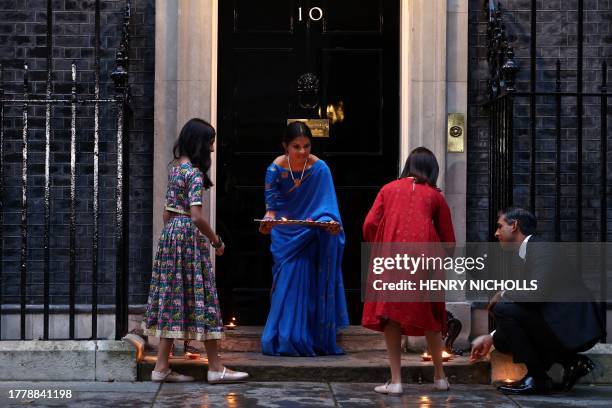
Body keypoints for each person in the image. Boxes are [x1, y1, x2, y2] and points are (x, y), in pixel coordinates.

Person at [142, 118, 249, 383]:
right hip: (188, 238)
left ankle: (161, 367)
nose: (213, 149)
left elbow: (167, 214)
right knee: (205, 298)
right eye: (210, 142)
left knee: (172, 299)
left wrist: (171, 239)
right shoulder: (194, 174)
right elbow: (197, 216)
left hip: (171, 237)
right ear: (201, 143)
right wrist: (216, 242)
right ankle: (214, 368)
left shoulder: (175, 169)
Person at [470, 207, 604, 394]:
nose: (496, 233)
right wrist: (490, 337)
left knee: (502, 308)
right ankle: (571, 362)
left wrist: (503, 293)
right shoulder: (525, 252)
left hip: (571, 326)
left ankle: (539, 378)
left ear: (514, 225)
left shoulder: (541, 249)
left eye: (500, 227)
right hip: (552, 321)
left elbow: (535, 295)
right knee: (501, 339)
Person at [361, 147, 456, 394]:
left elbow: (370, 223)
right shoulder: (435, 196)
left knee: (391, 315)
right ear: (432, 170)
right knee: (430, 317)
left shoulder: (388, 189)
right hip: (425, 260)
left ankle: (396, 382)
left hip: (392, 256)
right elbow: (449, 241)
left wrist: (379, 245)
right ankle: (440, 377)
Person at [259, 121, 349, 356]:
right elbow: (272, 207)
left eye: (306, 146)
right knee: (287, 283)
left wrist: (330, 225)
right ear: (285, 147)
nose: (302, 152)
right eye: (296, 146)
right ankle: (284, 337)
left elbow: (328, 206)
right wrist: (267, 223)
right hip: (286, 235)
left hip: (311, 233)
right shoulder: (274, 169)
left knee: (309, 285)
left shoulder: (320, 169)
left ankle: (307, 336)